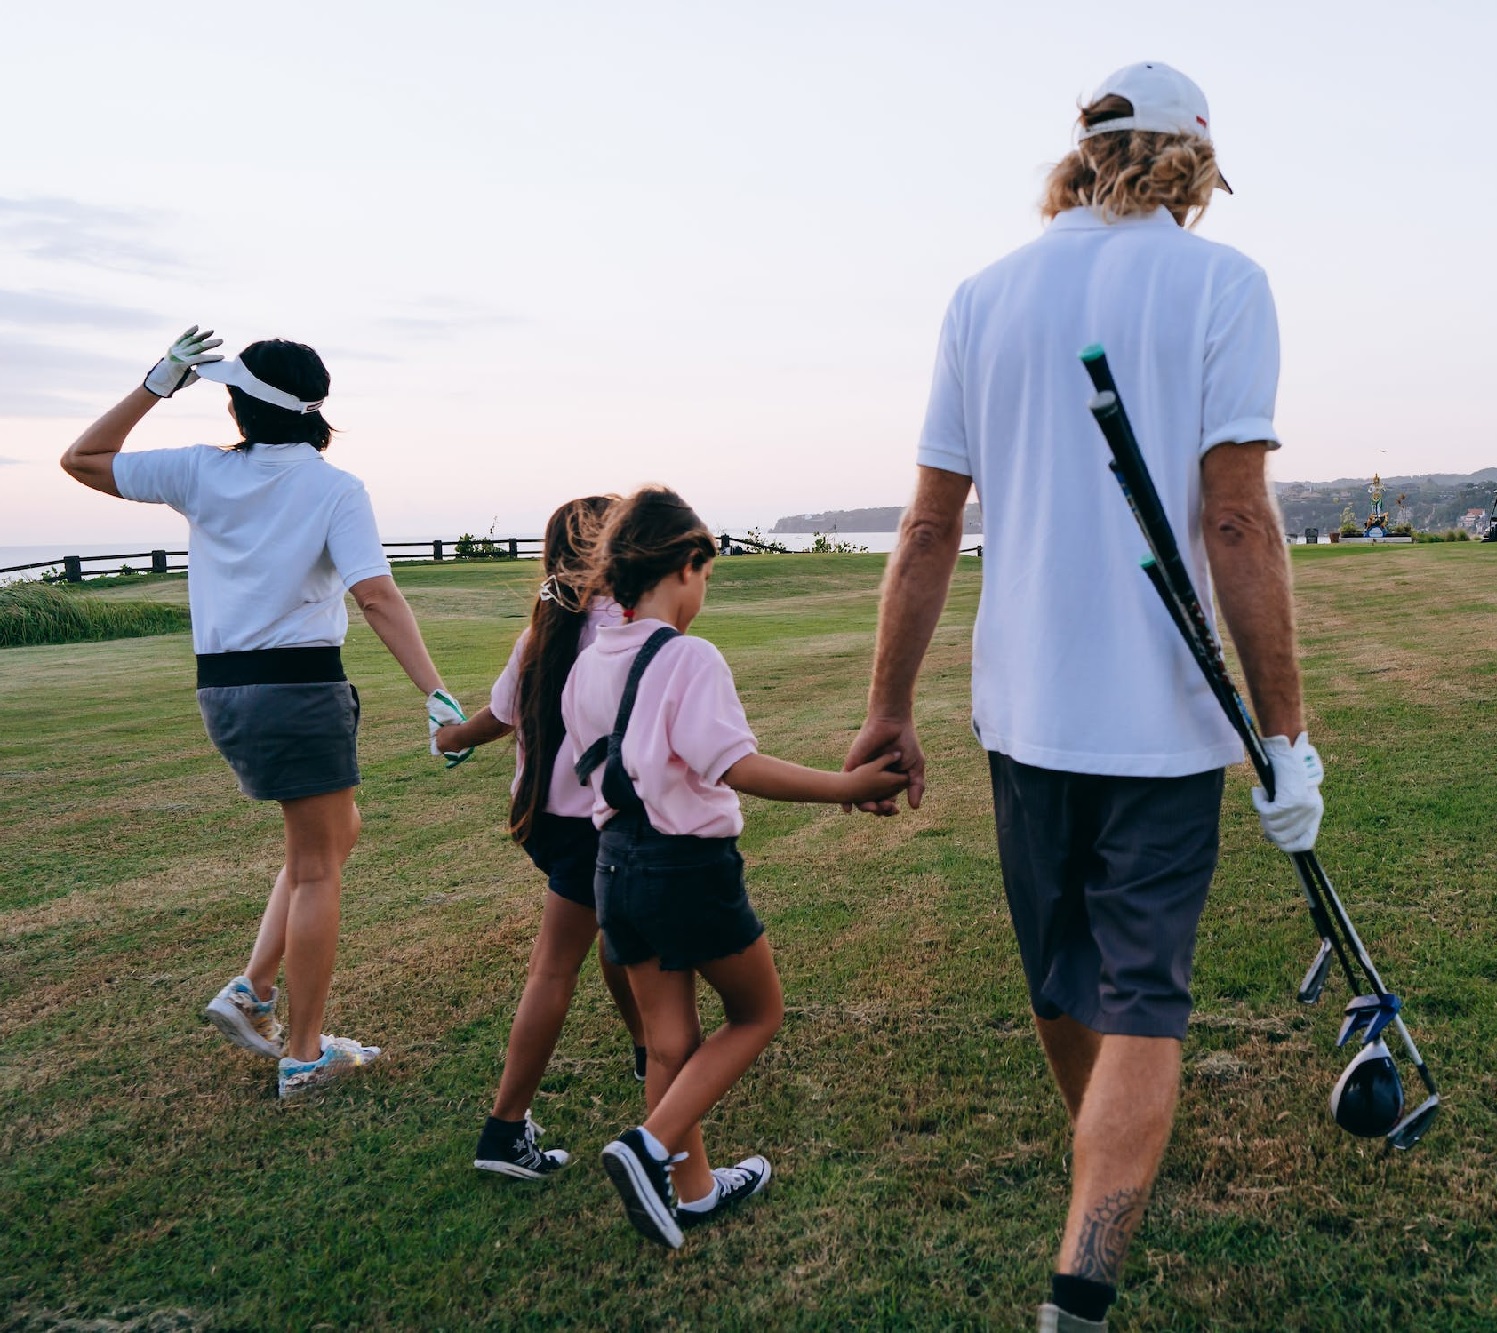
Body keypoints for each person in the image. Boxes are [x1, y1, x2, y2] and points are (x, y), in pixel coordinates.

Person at [840, 64, 1325, 1331]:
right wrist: (1284, 734)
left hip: (1021, 716)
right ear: (1194, 164)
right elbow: (1234, 515)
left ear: (1080, 154)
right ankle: (1082, 1281)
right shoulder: (1223, 284)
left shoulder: (982, 294)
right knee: (1142, 996)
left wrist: (889, 703)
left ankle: (1102, 1156)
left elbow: (926, 526)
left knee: (1064, 980)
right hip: (1161, 722)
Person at [58, 329, 471, 1100]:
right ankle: (304, 1051)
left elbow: (83, 459)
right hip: (297, 689)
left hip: (224, 691)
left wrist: (156, 383)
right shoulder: (334, 488)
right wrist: (435, 691)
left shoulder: (201, 471)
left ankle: (250, 990)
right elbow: (375, 594)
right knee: (318, 865)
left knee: (334, 835)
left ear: (241, 404)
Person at [563, 486, 909, 1248]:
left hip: (614, 868)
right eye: (707, 576)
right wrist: (847, 787)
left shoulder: (587, 666)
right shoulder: (689, 657)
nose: (704, 594)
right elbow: (737, 766)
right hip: (687, 869)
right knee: (758, 1013)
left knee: (668, 1043)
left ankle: (692, 1192)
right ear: (686, 563)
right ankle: (649, 1145)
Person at [431, 496, 651, 1178]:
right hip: (596, 827)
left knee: (615, 933)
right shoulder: (628, 632)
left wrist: (453, 737)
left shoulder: (541, 633)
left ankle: (648, 1046)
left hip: (546, 826)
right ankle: (503, 1131)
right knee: (558, 966)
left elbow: (501, 715)